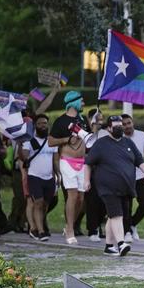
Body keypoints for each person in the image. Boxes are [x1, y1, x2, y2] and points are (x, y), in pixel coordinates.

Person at [84, 115, 144, 257]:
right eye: (116, 126)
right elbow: (88, 163)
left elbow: (140, 159)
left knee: (113, 216)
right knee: (117, 215)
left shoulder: (128, 143)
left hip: (126, 187)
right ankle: (121, 243)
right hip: (107, 187)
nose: (119, 128)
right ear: (109, 128)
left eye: (120, 126)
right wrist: (87, 181)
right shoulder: (101, 144)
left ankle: (109, 246)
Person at [48, 91, 89, 244]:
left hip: (82, 162)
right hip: (67, 161)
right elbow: (50, 141)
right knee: (72, 195)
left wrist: (96, 124)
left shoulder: (83, 119)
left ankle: (69, 224)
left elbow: (89, 139)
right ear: (74, 102)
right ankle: (70, 230)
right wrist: (67, 139)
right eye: (82, 101)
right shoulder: (61, 121)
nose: (84, 104)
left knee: (80, 198)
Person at [22, 114, 58, 241]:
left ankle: (39, 227)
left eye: (45, 123)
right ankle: (40, 231)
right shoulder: (29, 141)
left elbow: (55, 161)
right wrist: (24, 150)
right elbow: (25, 157)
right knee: (38, 203)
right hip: (34, 176)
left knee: (45, 205)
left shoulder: (51, 141)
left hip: (49, 178)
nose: (43, 125)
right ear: (35, 126)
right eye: (40, 123)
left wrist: (58, 175)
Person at [122, 114, 144, 242]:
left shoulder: (142, 135)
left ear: (133, 122)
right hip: (126, 177)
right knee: (127, 206)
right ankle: (127, 231)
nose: (127, 126)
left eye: (128, 123)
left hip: (141, 176)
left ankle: (132, 224)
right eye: (124, 124)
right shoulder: (119, 138)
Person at [85, 109, 107, 242]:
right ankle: (92, 229)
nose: (100, 122)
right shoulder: (86, 135)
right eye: (97, 119)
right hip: (90, 172)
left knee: (104, 202)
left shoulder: (104, 135)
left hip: (104, 172)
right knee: (92, 202)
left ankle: (99, 225)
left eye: (101, 119)